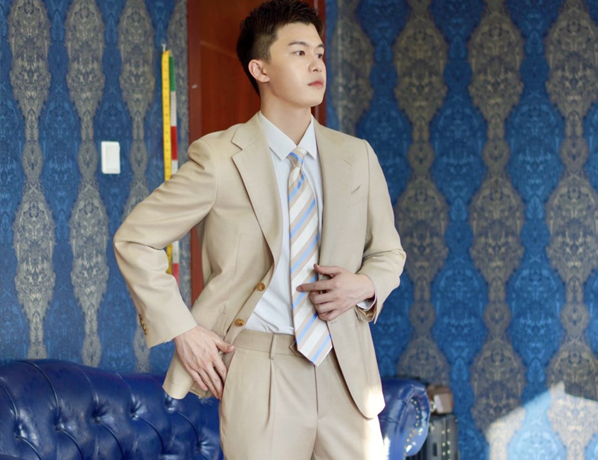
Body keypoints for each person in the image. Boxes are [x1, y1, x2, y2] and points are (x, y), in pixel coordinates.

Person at [113, 0, 406, 458]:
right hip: (260, 370)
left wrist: (364, 285)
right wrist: (183, 329)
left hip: (347, 369)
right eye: (299, 52)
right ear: (260, 68)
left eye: (320, 53)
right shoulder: (218, 158)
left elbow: (389, 252)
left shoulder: (358, 156)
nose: (316, 64)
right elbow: (135, 239)